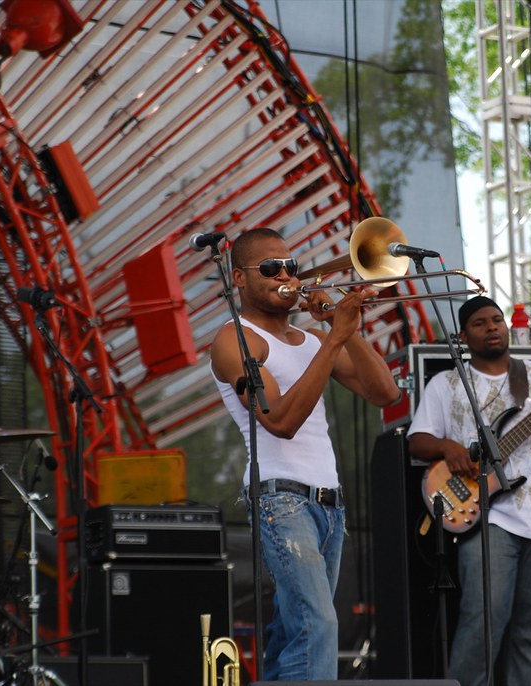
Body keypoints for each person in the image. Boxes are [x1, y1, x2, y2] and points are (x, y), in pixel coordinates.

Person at [209, 227, 399, 680]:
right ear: (239, 278)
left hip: (329, 505)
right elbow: (281, 422)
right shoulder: (238, 340)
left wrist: (341, 329)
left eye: (290, 267)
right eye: (270, 269)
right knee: (318, 625)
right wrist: (333, 339)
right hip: (280, 499)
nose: (286, 276)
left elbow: (385, 392)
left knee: (294, 629)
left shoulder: (312, 341)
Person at [407, 295, 531, 686]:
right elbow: (416, 442)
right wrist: (447, 446)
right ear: (463, 336)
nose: (492, 326)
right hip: (488, 520)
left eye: (497, 319)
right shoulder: (447, 383)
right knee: (483, 624)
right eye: (480, 323)